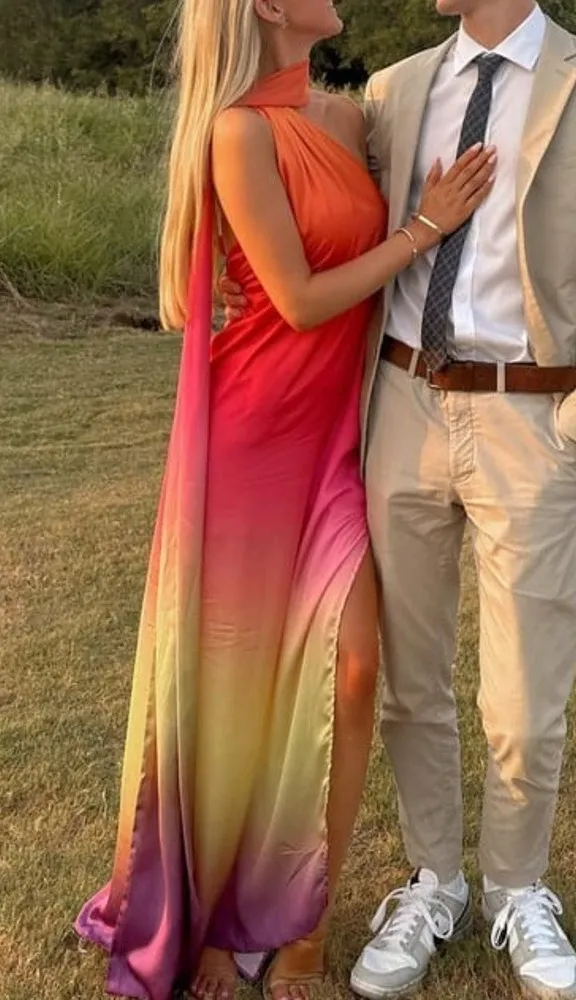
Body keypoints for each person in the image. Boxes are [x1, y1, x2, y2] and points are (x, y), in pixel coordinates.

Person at [73, 2, 494, 1000]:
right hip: (251, 444)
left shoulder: (348, 118)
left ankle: (298, 922)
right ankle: (219, 920)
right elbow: (299, 299)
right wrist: (426, 229)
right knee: (235, 688)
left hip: (337, 441)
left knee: (353, 671)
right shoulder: (237, 133)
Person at [222, 1, 576, 998]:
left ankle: (518, 886)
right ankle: (434, 880)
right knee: (411, 681)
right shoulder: (393, 91)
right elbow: (315, 207)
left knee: (525, 696)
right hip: (404, 404)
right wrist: (230, 269)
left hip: (533, 415)